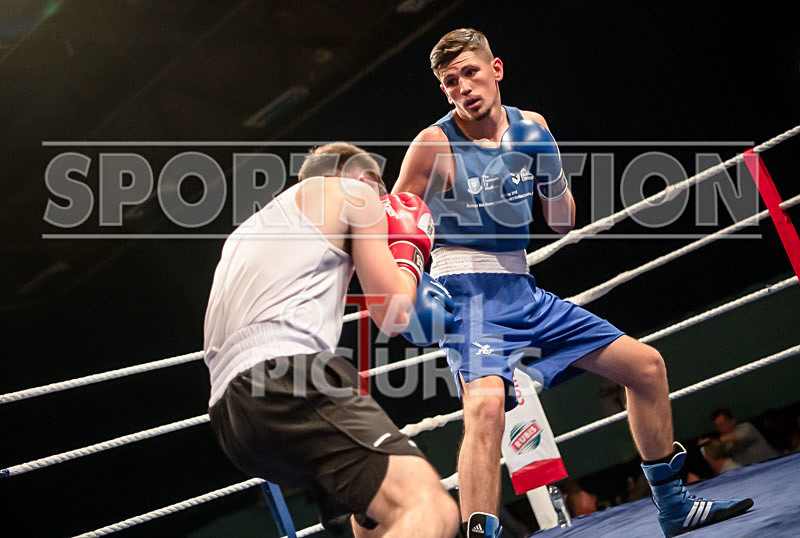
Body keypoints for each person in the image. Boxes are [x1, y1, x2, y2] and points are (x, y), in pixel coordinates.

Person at [393, 28, 753, 537]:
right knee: (487, 407)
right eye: (449, 82)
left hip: (524, 291)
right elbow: (396, 220)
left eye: (470, 72)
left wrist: (552, 169)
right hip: (467, 295)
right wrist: (409, 283)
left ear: (495, 69)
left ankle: (673, 505)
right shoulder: (433, 144)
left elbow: (561, 221)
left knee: (647, 368)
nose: (462, 88)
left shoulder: (532, 127)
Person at [203, 143, 459, 538]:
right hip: (289, 378)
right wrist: (409, 251)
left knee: (371, 524)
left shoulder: (249, 231)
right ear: (365, 179)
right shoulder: (356, 194)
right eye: (383, 194)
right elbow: (395, 314)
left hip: (229, 415)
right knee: (430, 508)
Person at [709, 408, 778, 465]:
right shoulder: (724, 446)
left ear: (732, 421)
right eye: (717, 427)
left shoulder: (746, 427)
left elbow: (737, 436)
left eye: (723, 424)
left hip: (774, 463)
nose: (721, 429)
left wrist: (712, 441)